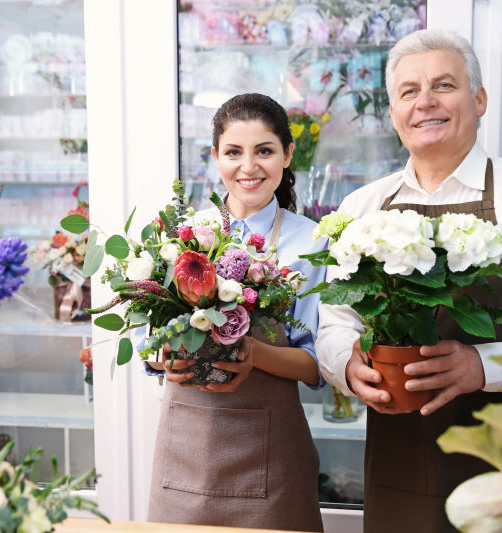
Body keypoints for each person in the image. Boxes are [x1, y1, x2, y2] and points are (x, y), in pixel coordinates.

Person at [315, 29, 502, 533]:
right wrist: (348, 367)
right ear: (393, 113)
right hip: (398, 473)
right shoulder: (361, 209)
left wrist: (482, 365)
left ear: (479, 100)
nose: (425, 103)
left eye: (444, 85)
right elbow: (334, 325)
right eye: (408, 92)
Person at [145, 93, 326, 532]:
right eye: (233, 152)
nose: (249, 167)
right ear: (215, 157)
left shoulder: (313, 242)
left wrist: (252, 353)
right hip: (187, 446)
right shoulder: (180, 237)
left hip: (274, 457)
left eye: (264, 151)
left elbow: (317, 364)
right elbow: (147, 343)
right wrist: (162, 356)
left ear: (287, 155)